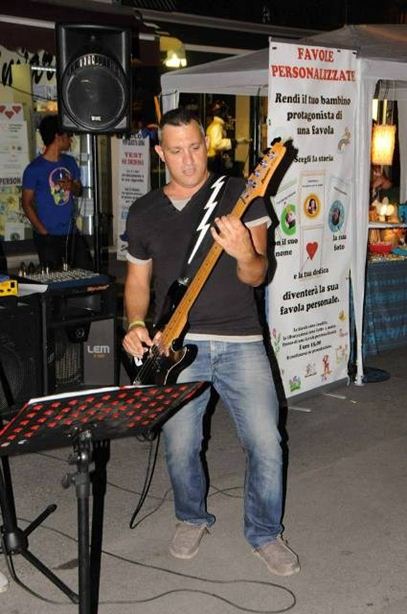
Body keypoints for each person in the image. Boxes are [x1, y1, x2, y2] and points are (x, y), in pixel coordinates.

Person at [122, 107, 300, 577]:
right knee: (181, 444)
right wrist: (136, 323)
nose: (188, 159)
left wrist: (244, 252)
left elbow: (258, 275)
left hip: (241, 338)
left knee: (266, 441)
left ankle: (265, 532)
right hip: (175, 344)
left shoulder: (241, 194)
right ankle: (190, 517)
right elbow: (137, 283)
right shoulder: (144, 212)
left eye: (196, 147)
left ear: (207, 145)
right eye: (176, 150)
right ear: (160, 153)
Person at [22, 115, 93, 270]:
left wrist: (71, 186)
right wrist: (43, 231)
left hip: (71, 232)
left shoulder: (70, 162)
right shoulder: (34, 169)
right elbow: (26, 203)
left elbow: (79, 191)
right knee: (55, 277)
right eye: (68, 135)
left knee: (87, 270)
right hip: (47, 235)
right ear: (58, 136)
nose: (71, 139)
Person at [206, 101, 249, 175]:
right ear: (222, 113)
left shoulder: (214, 125)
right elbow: (216, 144)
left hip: (213, 159)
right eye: (226, 113)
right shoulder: (216, 126)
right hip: (214, 161)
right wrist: (236, 141)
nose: (227, 115)